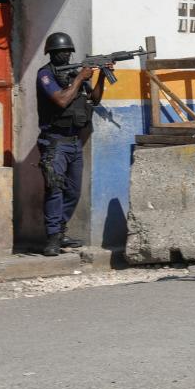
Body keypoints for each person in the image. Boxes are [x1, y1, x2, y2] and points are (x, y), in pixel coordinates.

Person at [36, 32, 111, 256]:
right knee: (55, 190)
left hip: (74, 142)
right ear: (52, 53)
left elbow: (95, 99)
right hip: (54, 142)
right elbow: (61, 100)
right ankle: (51, 238)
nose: (66, 55)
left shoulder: (75, 73)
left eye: (68, 51)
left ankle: (59, 232)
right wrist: (80, 78)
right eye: (61, 52)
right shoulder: (45, 75)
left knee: (73, 191)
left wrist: (101, 76)